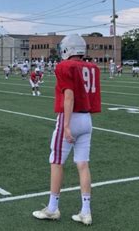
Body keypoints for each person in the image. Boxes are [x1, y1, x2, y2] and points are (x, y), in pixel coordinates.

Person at [32, 34, 101, 226]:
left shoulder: (65, 66)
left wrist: (68, 125)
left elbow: (69, 96)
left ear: (67, 49)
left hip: (70, 117)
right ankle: (85, 211)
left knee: (56, 162)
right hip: (86, 119)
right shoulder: (92, 67)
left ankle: (53, 208)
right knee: (83, 164)